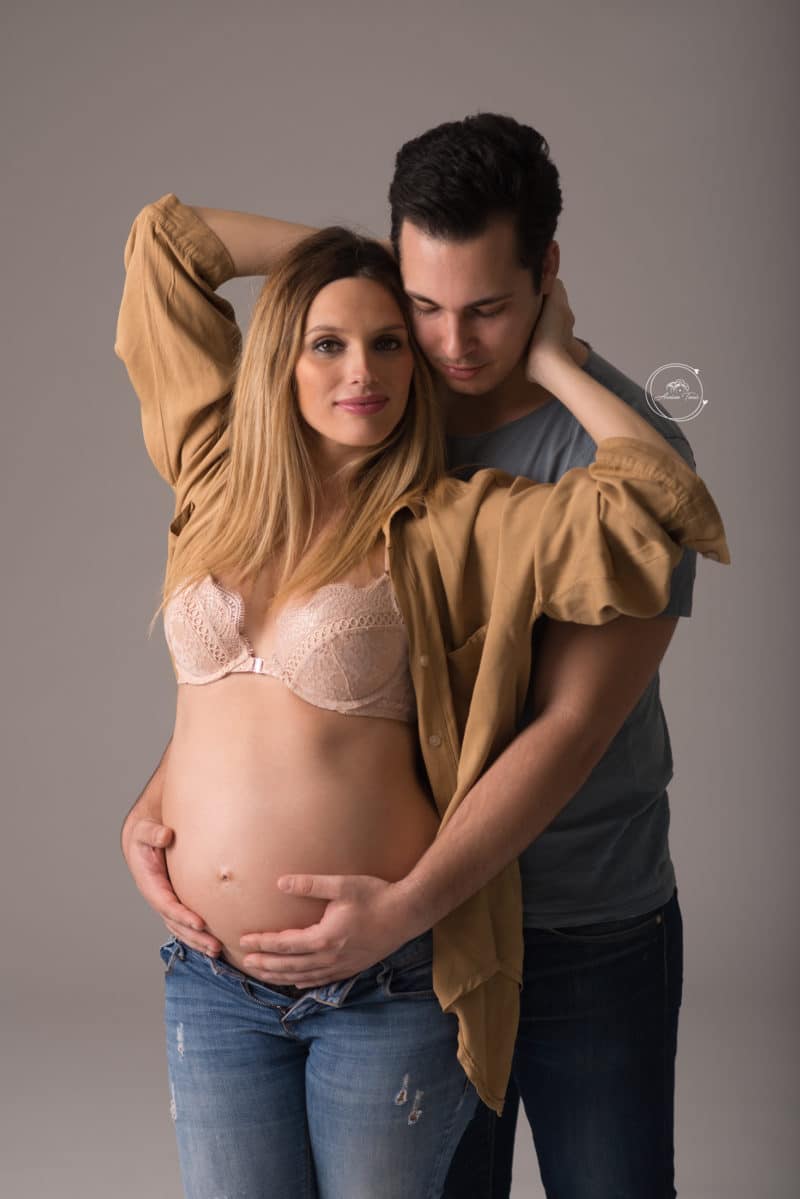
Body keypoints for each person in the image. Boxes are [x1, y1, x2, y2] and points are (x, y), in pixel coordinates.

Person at [118, 126, 728, 1199]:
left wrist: (556, 364)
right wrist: (351, 275)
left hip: (563, 908)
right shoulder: (296, 440)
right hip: (307, 957)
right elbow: (168, 248)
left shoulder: (486, 500)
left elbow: (568, 727)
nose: (441, 343)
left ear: (543, 275)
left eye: (485, 307)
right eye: (420, 307)